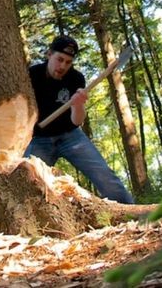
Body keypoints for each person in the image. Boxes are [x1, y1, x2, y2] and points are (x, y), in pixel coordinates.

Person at [24, 35, 134, 204]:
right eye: (59, 59)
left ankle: (133, 216)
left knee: (106, 177)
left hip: (71, 136)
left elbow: (77, 121)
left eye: (68, 62)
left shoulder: (76, 78)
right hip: (38, 139)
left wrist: (77, 105)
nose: (63, 66)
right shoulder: (31, 75)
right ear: (49, 55)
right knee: (28, 184)